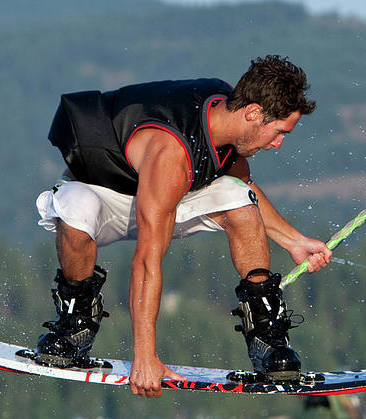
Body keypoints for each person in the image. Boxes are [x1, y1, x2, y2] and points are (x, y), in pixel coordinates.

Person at [33, 55, 332, 397]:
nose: (278, 143)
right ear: (252, 113)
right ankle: (75, 323)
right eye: (279, 132)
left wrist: (294, 241)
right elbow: (147, 260)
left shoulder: (226, 115)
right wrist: (144, 357)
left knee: (238, 196)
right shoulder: (171, 154)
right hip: (107, 197)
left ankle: (267, 337)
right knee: (74, 206)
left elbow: (243, 190)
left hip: (168, 197)